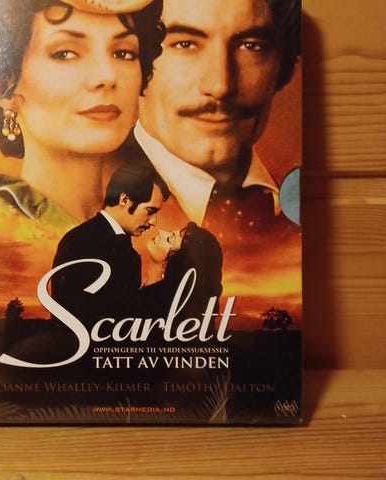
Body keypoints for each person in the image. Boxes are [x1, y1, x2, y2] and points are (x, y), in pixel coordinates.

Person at [0, 0, 165, 319]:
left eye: (124, 53)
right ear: (5, 90)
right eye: (65, 53)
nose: (106, 76)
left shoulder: (153, 223)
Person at [119, 0, 302, 326]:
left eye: (251, 46)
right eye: (185, 44)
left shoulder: (295, 205)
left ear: (282, 67)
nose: (220, 85)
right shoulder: (91, 204)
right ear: (134, 61)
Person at [51, 160, 170, 323]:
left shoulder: (114, 242)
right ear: (125, 200)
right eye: (150, 211)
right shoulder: (82, 241)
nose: (153, 222)